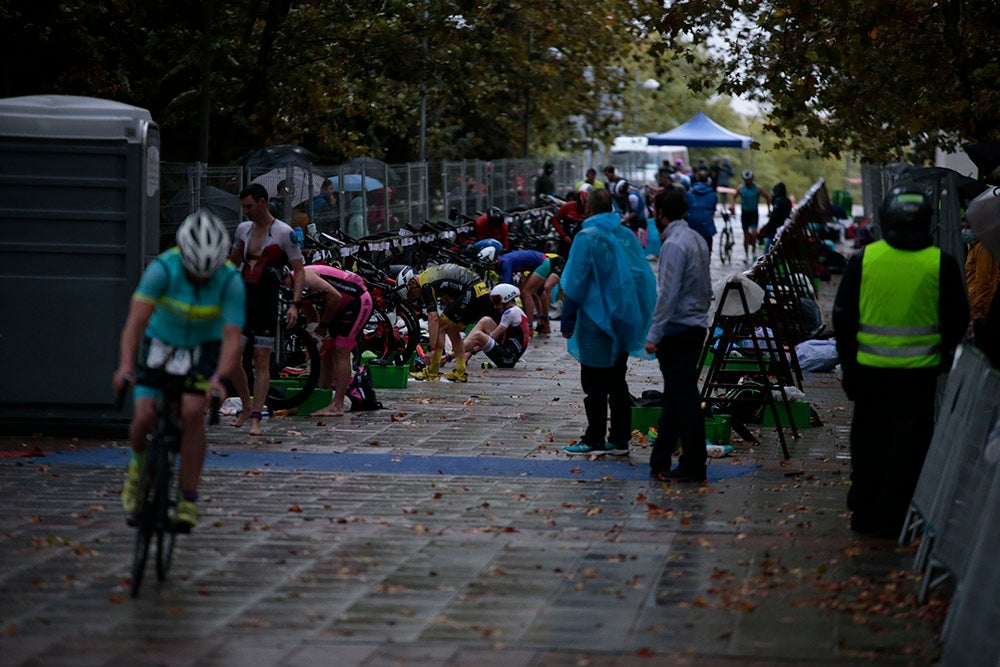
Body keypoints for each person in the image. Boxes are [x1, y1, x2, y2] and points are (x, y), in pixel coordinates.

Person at [833, 186, 968, 539]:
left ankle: (864, 512)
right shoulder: (941, 263)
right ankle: (896, 518)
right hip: (919, 378)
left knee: (868, 444)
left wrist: (849, 367)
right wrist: (940, 358)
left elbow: (843, 317)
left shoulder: (865, 259)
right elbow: (956, 319)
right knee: (909, 449)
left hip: (870, 376)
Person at [113, 211, 245, 530]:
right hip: (161, 341)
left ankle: (188, 498)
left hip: (205, 347)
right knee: (144, 414)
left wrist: (217, 379)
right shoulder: (162, 269)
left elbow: (232, 340)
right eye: (194, 273)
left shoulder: (230, 280)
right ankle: (138, 466)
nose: (201, 280)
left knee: (192, 411)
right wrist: (126, 366)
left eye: (207, 274)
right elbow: (136, 323)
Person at [560, 188, 657, 457]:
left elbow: (576, 283)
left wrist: (567, 320)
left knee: (593, 383)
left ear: (588, 209)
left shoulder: (586, 238)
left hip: (595, 322)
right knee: (617, 380)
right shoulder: (624, 234)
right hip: (623, 319)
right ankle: (620, 440)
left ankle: (594, 439)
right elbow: (642, 275)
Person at [644, 188, 712, 483]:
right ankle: (659, 458)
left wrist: (654, 334)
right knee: (676, 395)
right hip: (694, 327)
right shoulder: (697, 239)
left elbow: (666, 294)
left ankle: (694, 463)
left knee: (683, 401)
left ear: (660, 212)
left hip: (677, 331)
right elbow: (706, 288)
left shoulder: (673, 244)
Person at [229, 183, 306, 436]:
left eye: (249, 206)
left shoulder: (284, 233)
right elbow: (234, 263)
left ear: (262, 202)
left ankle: (256, 417)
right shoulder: (243, 230)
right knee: (232, 360)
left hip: (266, 302)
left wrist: (295, 304)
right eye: (243, 207)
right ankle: (245, 404)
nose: (246, 211)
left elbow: (299, 271)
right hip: (242, 302)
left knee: (260, 360)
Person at [300, 264, 373, 417]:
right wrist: (315, 339)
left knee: (341, 349)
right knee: (329, 347)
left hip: (358, 300)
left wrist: (323, 325)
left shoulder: (307, 276)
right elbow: (312, 318)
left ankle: (337, 405)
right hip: (340, 306)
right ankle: (325, 392)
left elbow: (336, 297)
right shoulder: (296, 287)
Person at [407, 263, 491, 383]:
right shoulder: (430, 277)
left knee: (440, 326)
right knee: (452, 330)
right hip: (482, 294)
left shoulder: (425, 285)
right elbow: (448, 300)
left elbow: (433, 317)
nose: (414, 296)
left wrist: (432, 348)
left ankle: (432, 371)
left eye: (411, 292)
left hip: (472, 292)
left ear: (413, 283)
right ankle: (460, 371)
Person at [463, 283, 532, 370]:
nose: (495, 307)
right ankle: (463, 354)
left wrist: (470, 351)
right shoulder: (516, 310)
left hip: (507, 360)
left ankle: (454, 354)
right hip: (507, 353)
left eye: (497, 302)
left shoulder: (510, 313)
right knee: (486, 321)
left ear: (507, 299)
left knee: (479, 336)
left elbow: (492, 337)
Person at [963, 223, 999, 346]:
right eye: (963, 228)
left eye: (968, 228)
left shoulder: (983, 248)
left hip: (979, 310)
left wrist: (979, 309)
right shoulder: (974, 247)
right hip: (975, 306)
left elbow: (984, 281)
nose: (965, 231)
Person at [519, 253, 566, 334]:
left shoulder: (529, 266)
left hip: (557, 262)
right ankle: (543, 319)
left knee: (546, 288)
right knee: (534, 293)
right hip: (546, 266)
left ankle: (546, 322)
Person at [737, 170, 771, 262]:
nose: (747, 182)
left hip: (753, 213)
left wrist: (769, 210)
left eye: (749, 180)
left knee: (754, 232)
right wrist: (732, 206)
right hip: (744, 213)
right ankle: (746, 254)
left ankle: (753, 251)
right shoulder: (740, 188)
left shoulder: (757, 188)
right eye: (746, 180)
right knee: (746, 235)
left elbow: (767, 197)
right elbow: (734, 197)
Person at [685, 170, 718, 250]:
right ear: (708, 180)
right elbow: (713, 211)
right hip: (707, 226)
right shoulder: (713, 195)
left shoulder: (689, 194)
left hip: (692, 226)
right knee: (707, 249)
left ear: (697, 179)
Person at [758, 181, 792, 253]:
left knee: (767, 252)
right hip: (781, 229)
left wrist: (767, 227)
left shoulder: (778, 202)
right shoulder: (787, 201)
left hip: (775, 231)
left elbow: (775, 218)